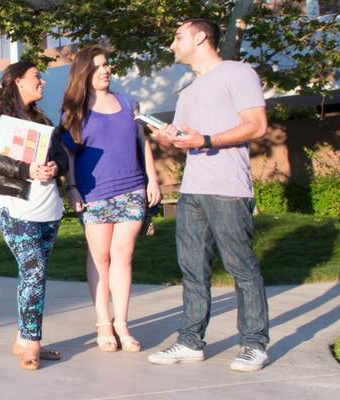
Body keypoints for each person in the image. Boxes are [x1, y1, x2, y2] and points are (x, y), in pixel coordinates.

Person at [146, 18, 272, 373]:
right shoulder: (187, 92)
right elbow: (187, 141)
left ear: (201, 37)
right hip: (193, 191)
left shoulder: (237, 72)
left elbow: (256, 125)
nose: (172, 44)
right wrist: (168, 137)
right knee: (192, 271)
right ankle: (190, 341)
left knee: (242, 269)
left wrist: (205, 140)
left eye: (177, 36)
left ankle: (254, 344)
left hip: (229, 189)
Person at [58, 45, 162, 353]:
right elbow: (70, 156)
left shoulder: (128, 103)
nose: (105, 70)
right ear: (84, 73)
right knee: (100, 257)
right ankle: (103, 323)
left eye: (107, 64)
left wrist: (152, 179)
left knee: (124, 256)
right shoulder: (74, 113)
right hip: (94, 194)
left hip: (132, 189)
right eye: (98, 66)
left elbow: (142, 142)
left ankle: (122, 324)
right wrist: (72, 188)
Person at [0, 60, 72, 370]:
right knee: (33, 271)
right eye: (36, 77)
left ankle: (23, 338)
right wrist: (26, 169)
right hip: (14, 205)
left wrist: (56, 167)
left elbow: (62, 159)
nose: (42, 82)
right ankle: (33, 343)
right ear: (17, 81)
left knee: (35, 275)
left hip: (48, 208)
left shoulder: (43, 121)